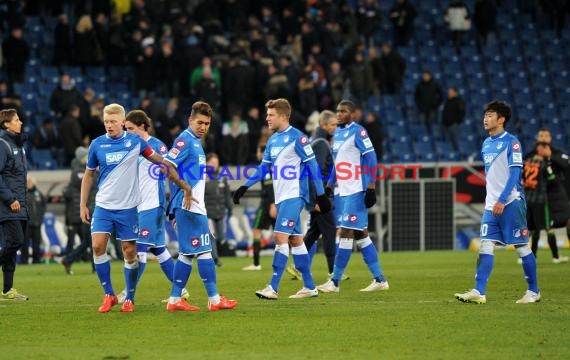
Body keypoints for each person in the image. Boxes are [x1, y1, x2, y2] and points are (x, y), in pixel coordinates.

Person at [80, 103, 193, 313]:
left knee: (133, 252)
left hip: (133, 208)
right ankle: (109, 294)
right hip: (104, 205)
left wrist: (180, 177)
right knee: (99, 247)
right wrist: (83, 204)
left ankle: (131, 296)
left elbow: (159, 160)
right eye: (106, 122)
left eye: (113, 121)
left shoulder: (136, 143)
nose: (109, 125)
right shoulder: (97, 144)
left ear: (123, 122)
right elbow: (88, 174)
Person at [233, 98, 332, 300]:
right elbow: (263, 168)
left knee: (280, 238)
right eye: (267, 114)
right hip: (281, 197)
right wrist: (244, 185)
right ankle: (310, 286)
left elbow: (313, 167)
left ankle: (273, 287)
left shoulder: (299, 138)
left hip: (294, 196)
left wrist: (321, 195)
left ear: (283, 116)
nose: (267, 118)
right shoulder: (272, 140)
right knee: (296, 240)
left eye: (271, 115)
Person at [455, 101, 540, 304]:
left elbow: (515, 172)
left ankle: (534, 291)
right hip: (491, 204)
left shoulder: (512, 142)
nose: (486, 118)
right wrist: (493, 200)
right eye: (485, 115)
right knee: (485, 244)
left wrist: (502, 199)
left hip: (510, 201)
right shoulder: (486, 143)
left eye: (491, 115)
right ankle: (479, 291)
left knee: (521, 245)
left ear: (501, 119)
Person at [163, 101, 237, 312]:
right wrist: (185, 187)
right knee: (204, 251)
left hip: (192, 206)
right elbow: (167, 166)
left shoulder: (196, 142)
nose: (203, 127)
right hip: (188, 206)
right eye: (200, 122)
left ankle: (175, 299)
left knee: (188, 253)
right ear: (190, 120)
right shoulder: (184, 140)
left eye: (207, 123)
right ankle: (213, 300)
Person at [317, 100, 389, 294]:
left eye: (343, 111)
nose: (339, 114)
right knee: (361, 234)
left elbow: (371, 158)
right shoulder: (338, 134)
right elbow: (337, 163)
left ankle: (335, 282)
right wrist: (330, 184)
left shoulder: (359, 132)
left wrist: (371, 187)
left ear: (353, 114)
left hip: (358, 190)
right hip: (344, 191)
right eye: (337, 111)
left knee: (346, 233)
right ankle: (380, 279)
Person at [118, 109, 190, 303]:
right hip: (137, 206)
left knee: (139, 248)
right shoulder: (129, 146)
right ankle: (180, 290)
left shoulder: (157, 146)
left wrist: (174, 204)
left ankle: (128, 292)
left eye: (131, 128)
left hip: (152, 204)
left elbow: (169, 171)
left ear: (142, 126)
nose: (128, 132)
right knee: (159, 248)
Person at [523, 142, 569, 263]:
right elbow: (552, 179)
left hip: (528, 200)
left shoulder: (527, 163)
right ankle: (556, 257)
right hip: (540, 201)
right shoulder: (543, 164)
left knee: (530, 229)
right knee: (549, 228)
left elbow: (522, 181)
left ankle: (525, 257)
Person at [0, 109, 28, 300]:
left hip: (21, 203)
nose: (21, 122)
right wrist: (10, 199)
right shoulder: (3, 145)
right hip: (8, 204)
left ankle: (7, 290)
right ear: (6, 124)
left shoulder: (18, 145)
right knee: (16, 241)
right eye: (17, 120)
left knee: (12, 245)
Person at [59, 146, 95, 274]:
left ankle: (68, 260)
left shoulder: (82, 171)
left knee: (87, 241)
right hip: (87, 209)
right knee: (91, 240)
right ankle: (95, 268)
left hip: (86, 208)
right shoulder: (80, 172)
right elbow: (89, 187)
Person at [242, 145, 276, 271]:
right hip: (273, 202)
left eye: (258, 152)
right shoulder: (273, 166)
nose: (257, 154)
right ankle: (294, 264)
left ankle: (256, 264)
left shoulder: (266, 168)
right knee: (281, 234)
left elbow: (269, 187)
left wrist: (272, 204)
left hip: (267, 203)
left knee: (257, 230)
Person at [204, 153, 232, 266]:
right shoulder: (202, 176)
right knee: (212, 235)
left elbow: (227, 195)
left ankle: (213, 257)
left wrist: (230, 208)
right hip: (207, 212)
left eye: (216, 162)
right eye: (212, 162)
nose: (215, 165)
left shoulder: (223, 177)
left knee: (221, 237)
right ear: (206, 163)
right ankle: (215, 259)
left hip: (220, 212)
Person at [21, 176, 46, 265]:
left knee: (36, 243)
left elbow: (43, 206)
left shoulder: (39, 194)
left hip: (37, 223)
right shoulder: (22, 194)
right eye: (28, 182)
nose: (29, 183)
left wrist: (40, 218)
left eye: (30, 182)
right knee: (25, 243)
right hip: (26, 223)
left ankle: (37, 261)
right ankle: (24, 261)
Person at [441, 86, 466, 151]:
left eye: (451, 92)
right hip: (446, 125)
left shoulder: (459, 101)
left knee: (455, 140)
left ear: (455, 93)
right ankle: (449, 155)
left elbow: (462, 112)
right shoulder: (447, 101)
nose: (449, 94)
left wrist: (457, 122)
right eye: (449, 92)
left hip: (454, 125)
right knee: (448, 142)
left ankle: (457, 155)